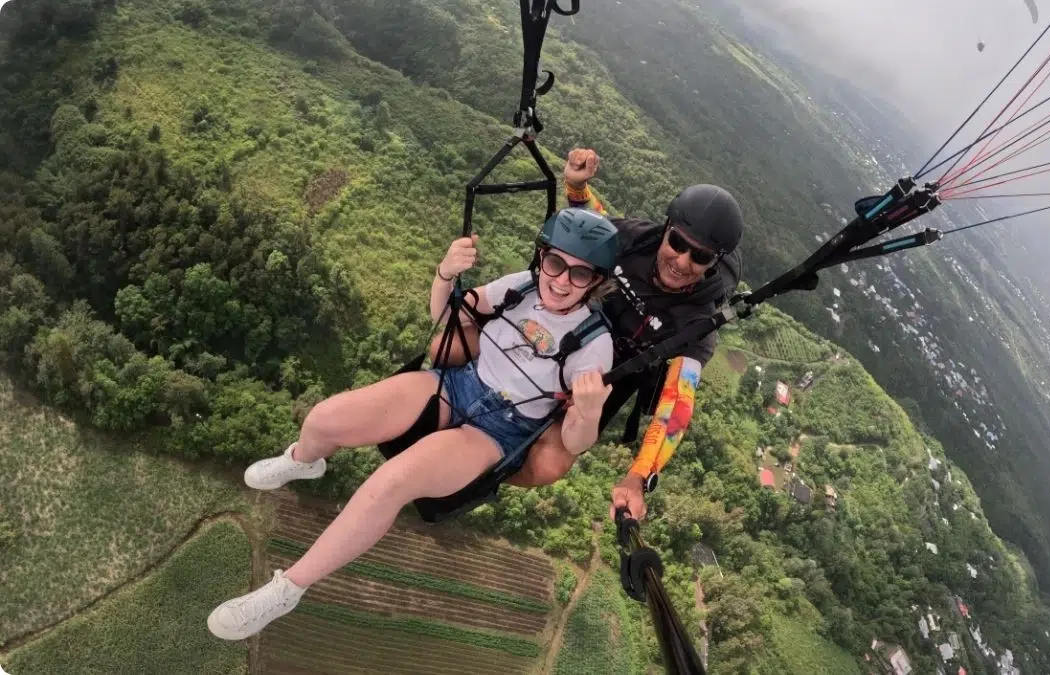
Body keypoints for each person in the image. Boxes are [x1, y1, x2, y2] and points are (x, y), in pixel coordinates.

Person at [206, 208, 620, 641]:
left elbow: (574, 441)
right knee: (324, 418)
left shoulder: (594, 344)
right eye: (555, 264)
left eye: (579, 274)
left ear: (595, 282)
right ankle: (304, 460)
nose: (560, 280)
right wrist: (445, 275)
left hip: (499, 430)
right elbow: (445, 316)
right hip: (459, 383)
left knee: (390, 482)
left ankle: (287, 589)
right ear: (541, 258)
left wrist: (588, 410)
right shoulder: (518, 287)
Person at [432, 148, 745, 524]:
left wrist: (638, 476)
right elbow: (595, 228)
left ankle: (485, 471)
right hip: (559, 330)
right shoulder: (638, 240)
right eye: (677, 244)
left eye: (700, 257)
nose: (682, 262)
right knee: (445, 345)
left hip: (598, 380)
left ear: (713, 264)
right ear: (666, 229)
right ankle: (447, 414)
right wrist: (576, 187)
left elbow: (677, 403)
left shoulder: (698, 321)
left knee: (548, 463)